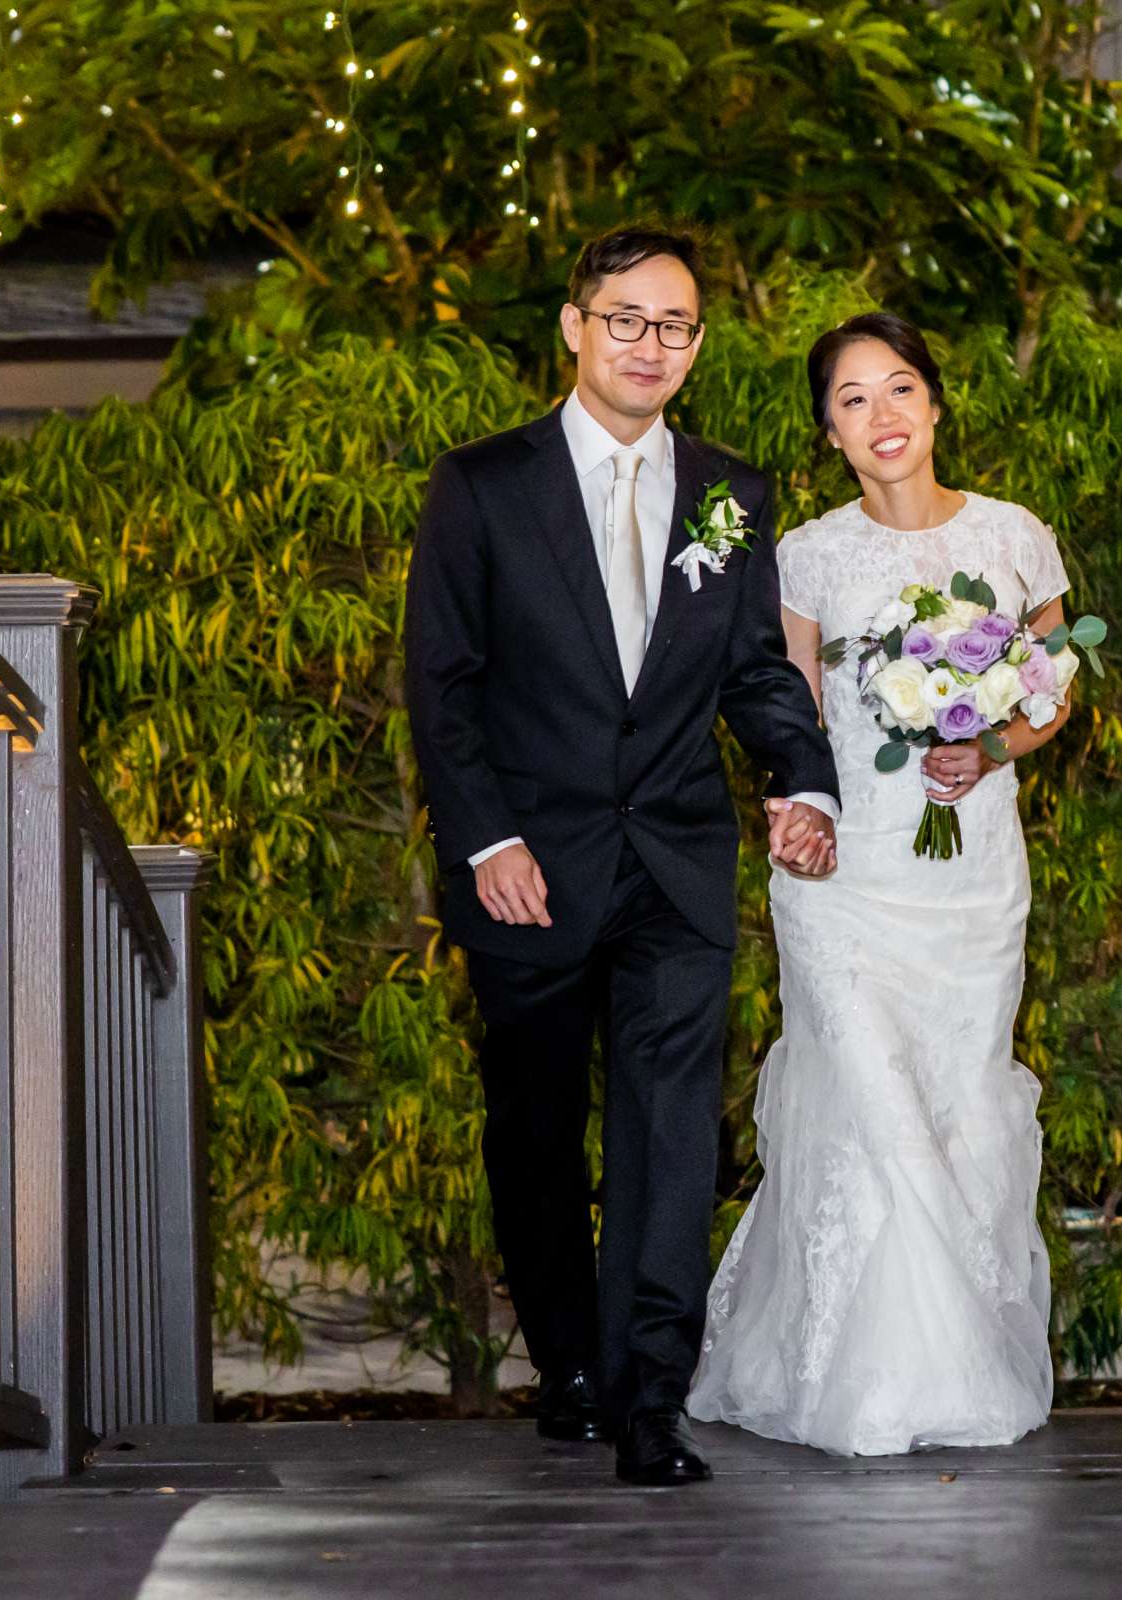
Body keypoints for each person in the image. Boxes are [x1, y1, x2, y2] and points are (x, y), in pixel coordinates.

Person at [403, 225, 841, 1487]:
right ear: (575, 326)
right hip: (527, 863)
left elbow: (757, 670)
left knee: (669, 1131)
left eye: (678, 325)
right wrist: (485, 835)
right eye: (629, 319)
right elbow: (445, 682)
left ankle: (654, 1392)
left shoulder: (732, 493)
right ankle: (571, 1364)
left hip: (675, 861)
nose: (653, 345)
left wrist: (799, 775)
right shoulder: (482, 483)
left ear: (697, 345)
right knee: (535, 1127)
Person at [686, 311, 1072, 1455]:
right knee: (870, 1109)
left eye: (899, 388)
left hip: (971, 871)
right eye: (852, 401)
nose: (882, 416)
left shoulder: (1014, 537)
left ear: (937, 403)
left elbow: (1053, 686)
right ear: (830, 434)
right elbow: (787, 705)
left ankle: (954, 1365)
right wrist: (793, 804)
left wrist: (990, 745)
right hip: (845, 874)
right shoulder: (805, 553)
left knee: (955, 1100)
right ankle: (867, 1384)